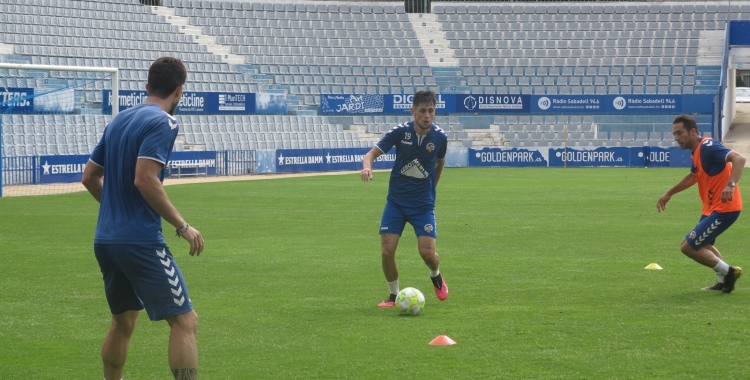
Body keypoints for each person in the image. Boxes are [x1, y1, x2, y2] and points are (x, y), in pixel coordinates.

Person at [81, 57, 205, 380]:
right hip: (139, 241)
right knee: (185, 320)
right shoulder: (163, 122)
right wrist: (182, 226)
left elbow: (90, 177)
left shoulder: (119, 121)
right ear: (179, 92)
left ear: (147, 87)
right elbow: (145, 178)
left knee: (123, 321)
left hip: (106, 239)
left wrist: (115, 211)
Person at [360, 90, 449, 307]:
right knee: (386, 251)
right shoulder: (400, 132)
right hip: (397, 203)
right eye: (422, 111)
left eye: (430, 111)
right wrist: (367, 168)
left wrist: (431, 188)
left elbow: (440, 162)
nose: (427, 115)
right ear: (413, 111)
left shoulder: (440, 137)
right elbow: (370, 154)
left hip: (423, 206)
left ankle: (436, 274)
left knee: (427, 254)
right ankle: (393, 296)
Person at [657, 114, 745, 293]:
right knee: (702, 244)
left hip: (725, 208)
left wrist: (731, 184)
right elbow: (693, 176)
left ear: (693, 131)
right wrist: (669, 193)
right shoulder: (696, 152)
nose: (676, 138)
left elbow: (739, 159)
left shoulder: (708, 147)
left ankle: (728, 273)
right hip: (712, 208)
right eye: (674, 134)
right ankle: (724, 279)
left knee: (688, 246)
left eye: (679, 133)